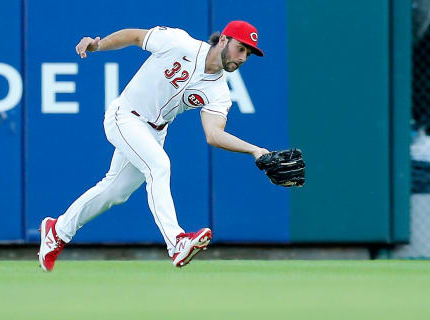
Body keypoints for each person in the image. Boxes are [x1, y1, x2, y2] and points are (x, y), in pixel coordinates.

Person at [38, 20, 269, 271]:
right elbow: (135, 37)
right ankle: (177, 242)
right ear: (223, 40)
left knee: (115, 191)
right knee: (159, 166)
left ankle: (57, 230)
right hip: (125, 115)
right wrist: (99, 44)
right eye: (241, 48)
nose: (244, 57)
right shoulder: (180, 43)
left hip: (155, 131)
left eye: (249, 53)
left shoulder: (219, 90)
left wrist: (255, 149)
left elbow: (214, 134)